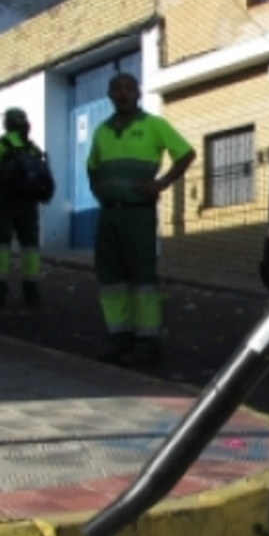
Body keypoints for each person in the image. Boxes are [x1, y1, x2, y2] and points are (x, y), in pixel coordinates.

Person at [87, 73, 195, 367]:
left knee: (142, 279)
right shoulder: (102, 131)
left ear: (138, 93)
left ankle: (148, 343)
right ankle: (119, 340)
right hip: (109, 214)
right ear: (109, 94)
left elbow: (186, 153)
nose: (122, 94)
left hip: (138, 215)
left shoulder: (153, 125)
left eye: (128, 88)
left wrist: (162, 183)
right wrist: (98, 190)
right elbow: (92, 166)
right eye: (117, 88)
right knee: (111, 280)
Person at [0, 107, 44, 306]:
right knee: (30, 246)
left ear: (7, 123)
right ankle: (31, 291)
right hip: (28, 204)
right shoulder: (32, 148)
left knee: (1, 245)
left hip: (4, 201)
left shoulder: (0, 144)